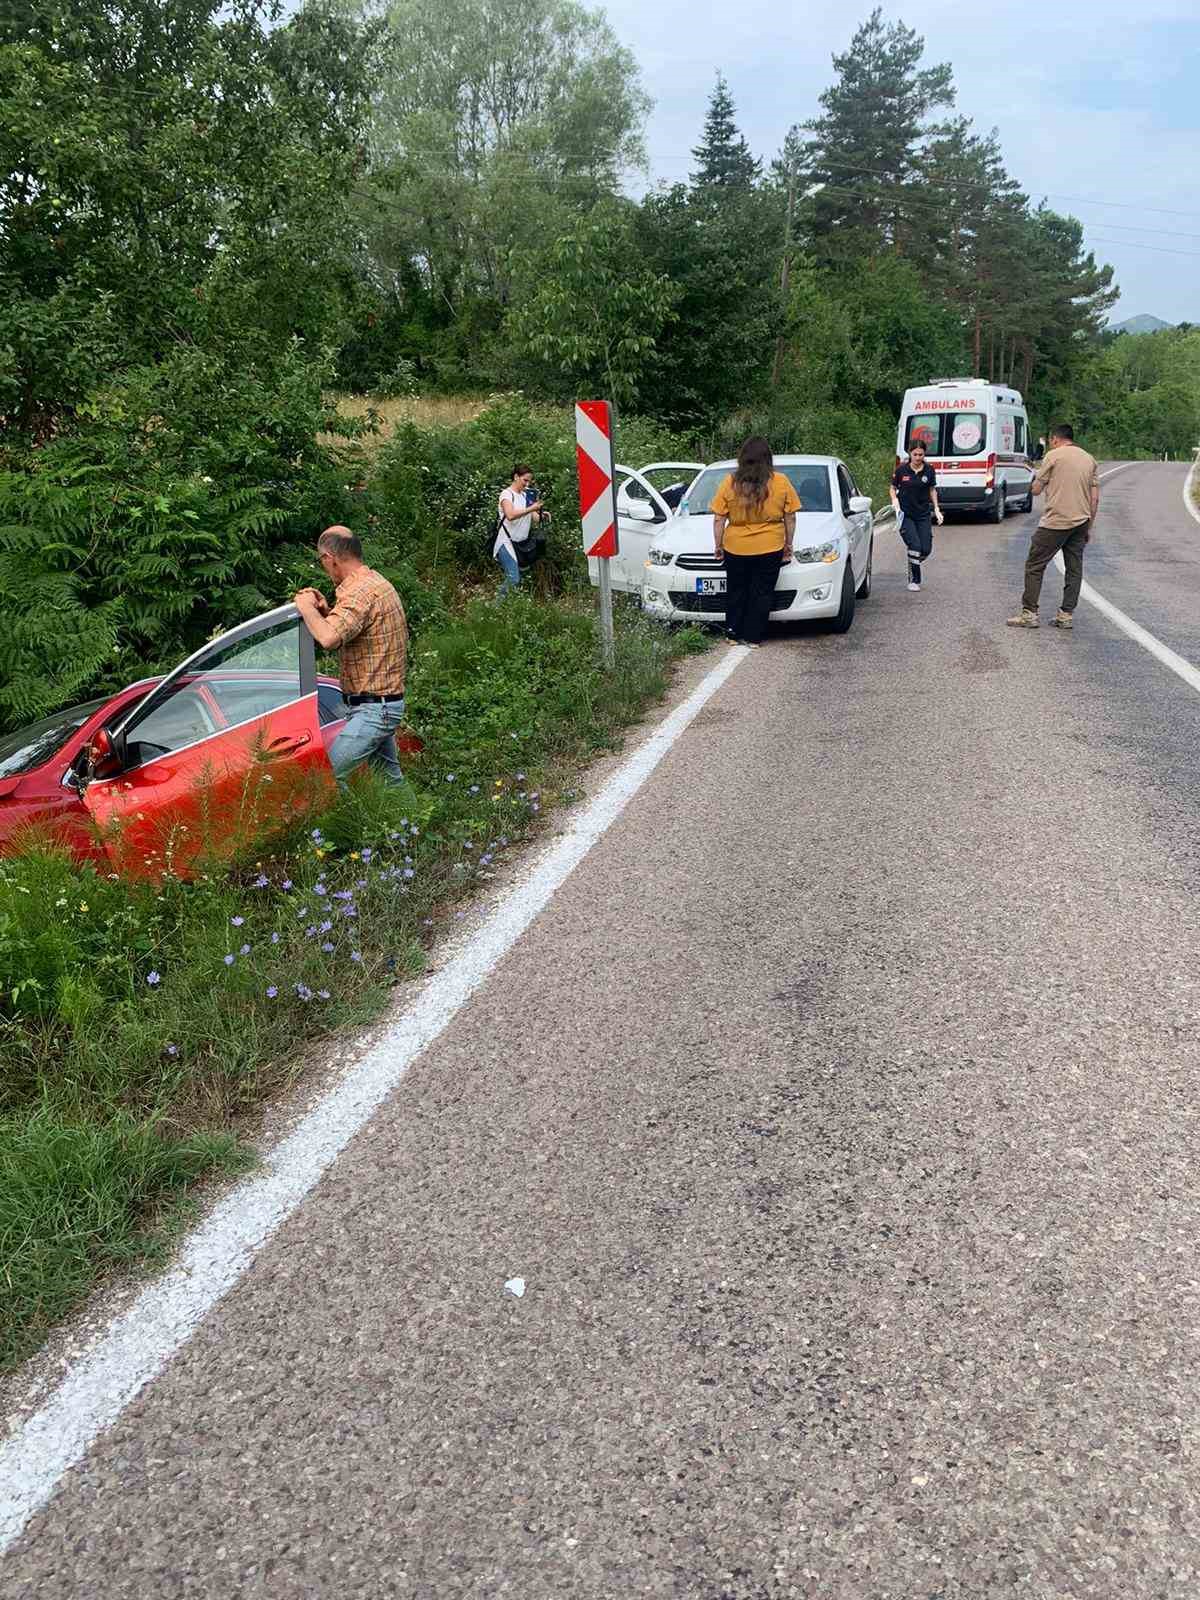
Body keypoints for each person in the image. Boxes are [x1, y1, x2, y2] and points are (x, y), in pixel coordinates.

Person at [293, 526, 409, 784]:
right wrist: (326, 613)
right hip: (383, 704)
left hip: (375, 710)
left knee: (328, 780)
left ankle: (352, 824)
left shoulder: (358, 592)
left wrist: (305, 607)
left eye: (321, 562)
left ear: (329, 558)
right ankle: (410, 823)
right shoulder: (374, 582)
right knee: (390, 781)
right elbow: (354, 627)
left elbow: (328, 638)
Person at [1006, 424, 1099, 631]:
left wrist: (1035, 480)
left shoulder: (1053, 456)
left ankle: (1029, 614)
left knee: (1035, 565)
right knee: (1074, 569)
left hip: (1056, 522)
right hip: (1081, 521)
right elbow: (1095, 499)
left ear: (1055, 439)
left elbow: (1037, 490)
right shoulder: (1089, 459)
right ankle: (1066, 615)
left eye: (1051, 441)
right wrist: (1089, 526)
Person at [710, 437, 801, 648]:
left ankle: (732, 633)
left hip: (735, 546)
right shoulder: (781, 481)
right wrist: (788, 543)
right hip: (770, 545)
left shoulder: (730, 482)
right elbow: (791, 517)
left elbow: (718, 518)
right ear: (768, 458)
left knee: (736, 589)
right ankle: (753, 637)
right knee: (762, 592)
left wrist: (718, 545)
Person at [889, 440, 943, 592]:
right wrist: (894, 501)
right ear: (909, 453)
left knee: (925, 549)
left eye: (921, 454)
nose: (918, 457)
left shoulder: (929, 470)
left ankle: (913, 560)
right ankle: (914, 579)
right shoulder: (901, 470)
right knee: (915, 546)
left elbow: (932, 489)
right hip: (906, 514)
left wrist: (937, 508)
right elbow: (893, 488)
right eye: (915, 454)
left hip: (923, 514)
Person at [494, 465, 544, 593]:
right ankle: (494, 608)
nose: (527, 484)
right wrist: (531, 508)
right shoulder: (506, 494)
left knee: (517, 580)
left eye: (529, 481)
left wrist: (542, 514)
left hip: (521, 544)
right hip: (506, 542)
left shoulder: (524, 496)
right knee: (513, 578)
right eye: (525, 480)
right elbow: (510, 515)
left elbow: (535, 518)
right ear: (516, 477)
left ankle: (506, 608)